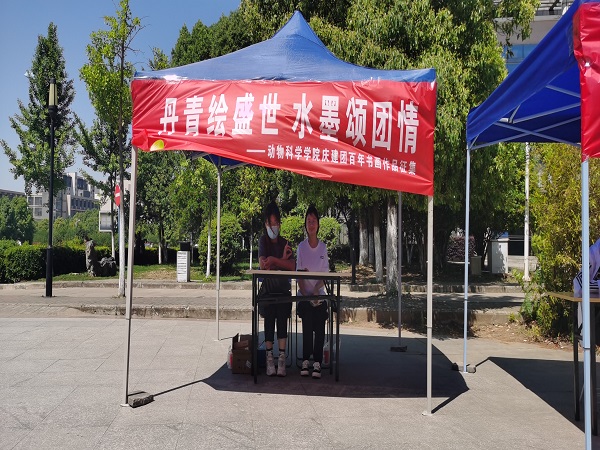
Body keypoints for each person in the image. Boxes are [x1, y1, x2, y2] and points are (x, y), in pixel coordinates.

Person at [258, 201, 295, 376]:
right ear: (265, 223)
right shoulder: (263, 241)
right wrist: (281, 260)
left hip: (283, 290)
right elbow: (263, 265)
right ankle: (269, 357)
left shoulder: (285, 242)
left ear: (279, 223)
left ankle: (281, 357)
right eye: (270, 223)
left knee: (282, 315)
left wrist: (274, 260)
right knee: (269, 314)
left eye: (275, 223)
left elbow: (292, 266)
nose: (273, 227)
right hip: (268, 291)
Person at [296, 205, 330, 379]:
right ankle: (305, 360)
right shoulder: (301, 247)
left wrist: (317, 291)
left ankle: (317, 362)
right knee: (308, 320)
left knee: (320, 319)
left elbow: (325, 276)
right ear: (305, 224)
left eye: (314, 221)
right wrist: (307, 295)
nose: (311, 224)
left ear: (318, 224)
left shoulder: (323, 248)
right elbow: (299, 277)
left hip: (319, 295)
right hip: (304, 297)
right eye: (308, 221)